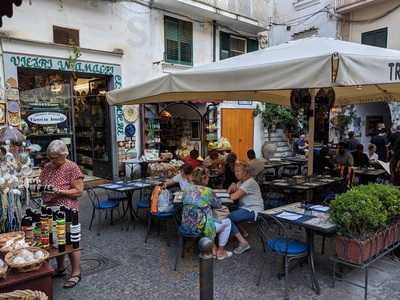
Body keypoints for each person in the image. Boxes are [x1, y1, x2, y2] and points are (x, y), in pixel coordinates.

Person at [39, 140, 84, 288]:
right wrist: (42, 188)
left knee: (71, 241)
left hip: (67, 209)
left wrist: (60, 191)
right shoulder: (47, 166)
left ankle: (76, 273)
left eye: (56, 157)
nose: (53, 161)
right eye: (51, 157)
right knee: (55, 241)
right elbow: (41, 182)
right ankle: (60, 268)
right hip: (50, 208)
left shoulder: (72, 167)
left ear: (64, 154)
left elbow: (78, 191)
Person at [181, 167, 232, 260]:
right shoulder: (207, 191)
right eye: (208, 177)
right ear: (204, 178)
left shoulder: (186, 189)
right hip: (202, 227)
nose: (209, 179)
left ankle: (213, 248)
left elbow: (183, 201)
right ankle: (220, 252)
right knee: (228, 222)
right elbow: (218, 205)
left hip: (186, 225)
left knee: (206, 217)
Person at [228, 161, 264, 255]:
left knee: (226, 217)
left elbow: (233, 197)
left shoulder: (249, 183)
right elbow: (230, 191)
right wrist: (232, 186)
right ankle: (242, 232)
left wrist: (229, 191)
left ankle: (243, 243)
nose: (236, 173)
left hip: (253, 210)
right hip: (245, 208)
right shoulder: (242, 182)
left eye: (239, 171)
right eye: (235, 171)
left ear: (246, 172)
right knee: (227, 211)